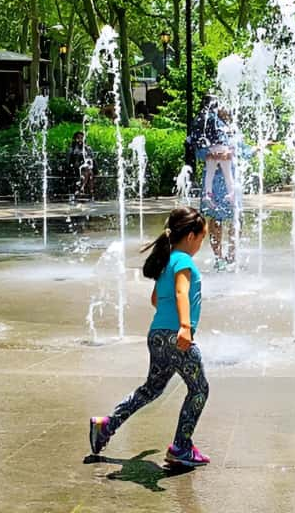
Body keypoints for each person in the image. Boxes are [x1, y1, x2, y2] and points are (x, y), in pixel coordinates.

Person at [89, 208, 212, 467]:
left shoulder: (166, 262)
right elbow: (181, 293)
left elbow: (156, 299)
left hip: (157, 335)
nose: (201, 244)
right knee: (199, 389)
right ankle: (181, 446)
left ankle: (107, 425)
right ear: (190, 236)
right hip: (176, 336)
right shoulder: (184, 263)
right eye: (202, 238)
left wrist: (169, 323)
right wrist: (185, 327)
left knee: (151, 389)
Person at [203, 108, 242, 269]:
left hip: (232, 180)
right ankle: (218, 257)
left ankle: (232, 256)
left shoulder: (233, 133)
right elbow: (198, 149)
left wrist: (253, 150)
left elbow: (243, 150)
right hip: (214, 184)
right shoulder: (208, 130)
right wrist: (210, 154)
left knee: (237, 218)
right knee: (216, 220)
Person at [67, 131, 94, 198]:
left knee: (88, 170)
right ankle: (89, 192)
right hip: (75, 168)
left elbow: (91, 158)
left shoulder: (87, 148)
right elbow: (68, 161)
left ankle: (81, 188)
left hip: (85, 168)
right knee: (90, 173)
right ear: (75, 139)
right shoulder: (72, 148)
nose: (80, 140)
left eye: (82, 138)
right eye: (78, 138)